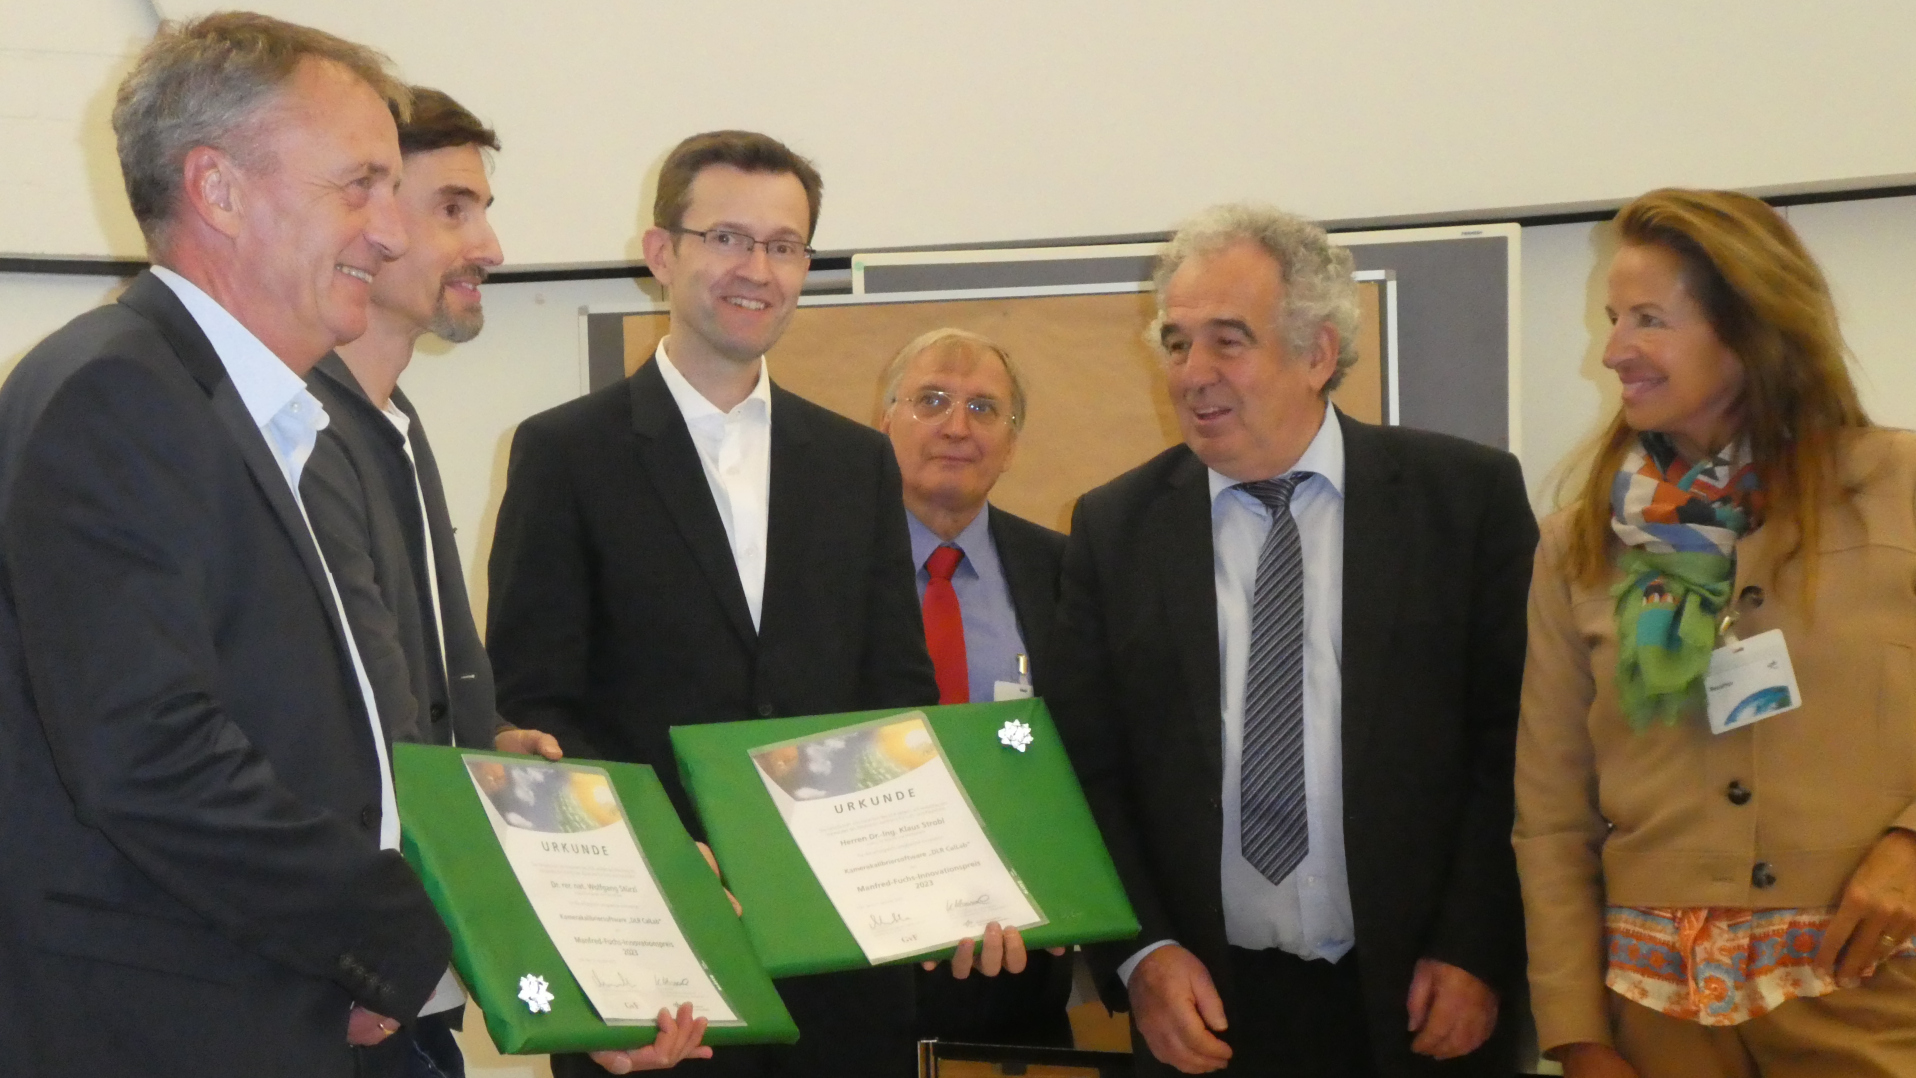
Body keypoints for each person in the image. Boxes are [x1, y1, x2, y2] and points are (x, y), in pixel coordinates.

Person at [0, 14, 452, 1078]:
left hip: (303, 1008)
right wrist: (410, 939)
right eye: (360, 185)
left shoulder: (293, 425)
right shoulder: (113, 396)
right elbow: (150, 757)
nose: (391, 232)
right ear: (218, 188)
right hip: (172, 1033)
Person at [486, 129, 939, 1076]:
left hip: (844, 971)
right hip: (655, 972)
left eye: (784, 246)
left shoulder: (856, 464)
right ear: (663, 253)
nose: (758, 270)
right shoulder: (567, 453)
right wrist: (670, 861)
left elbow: (897, 694)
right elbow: (538, 708)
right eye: (728, 238)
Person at [1048, 203, 1536, 1076]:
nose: (1193, 373)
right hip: (1210, 1013)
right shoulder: (1116, 529)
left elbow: (1520, 747)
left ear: (1317, 353)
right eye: (1176, 342)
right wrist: (1141, 953)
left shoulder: (1464, 502)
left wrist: (1478, 946)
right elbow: (1089, 770)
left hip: (1426, 1001)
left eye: (1228, 341)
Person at [297, 88, 708, 1076]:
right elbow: (321, 748)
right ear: (370, 216)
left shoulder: (395, 426)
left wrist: (488, 751)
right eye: (453, 209)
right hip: (348, 993)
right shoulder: (298, 440)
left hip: (412, 994)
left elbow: (418, 731)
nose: (489, 245)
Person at [1515, 188, 1916, 1078]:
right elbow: (1551, 820)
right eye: (1614, 318)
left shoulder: (1905, 487)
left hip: (1872, 1000)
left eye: (1648, 320)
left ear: (1752, 324)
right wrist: (1580, 1036)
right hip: (1655, 1023)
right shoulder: (1576, 547)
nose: (1613, 350)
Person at [877, 328, 1075, 1047]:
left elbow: (1096, 756)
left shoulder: (1066, 575)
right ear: (886, 421)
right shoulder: (821, 573)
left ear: (1012, 440)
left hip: (1020, 964)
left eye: (985, 409)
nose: (957, 427)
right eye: (931, 401)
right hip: (861, 967)